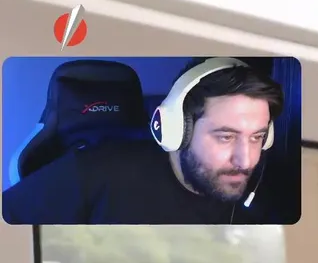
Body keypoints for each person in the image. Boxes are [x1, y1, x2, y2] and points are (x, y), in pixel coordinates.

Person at [2, 57, 284, 225]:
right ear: (176, 128)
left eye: (257, 137)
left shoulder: (248, 208)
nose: (246, 160)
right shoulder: (94, 170)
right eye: (225, 137)